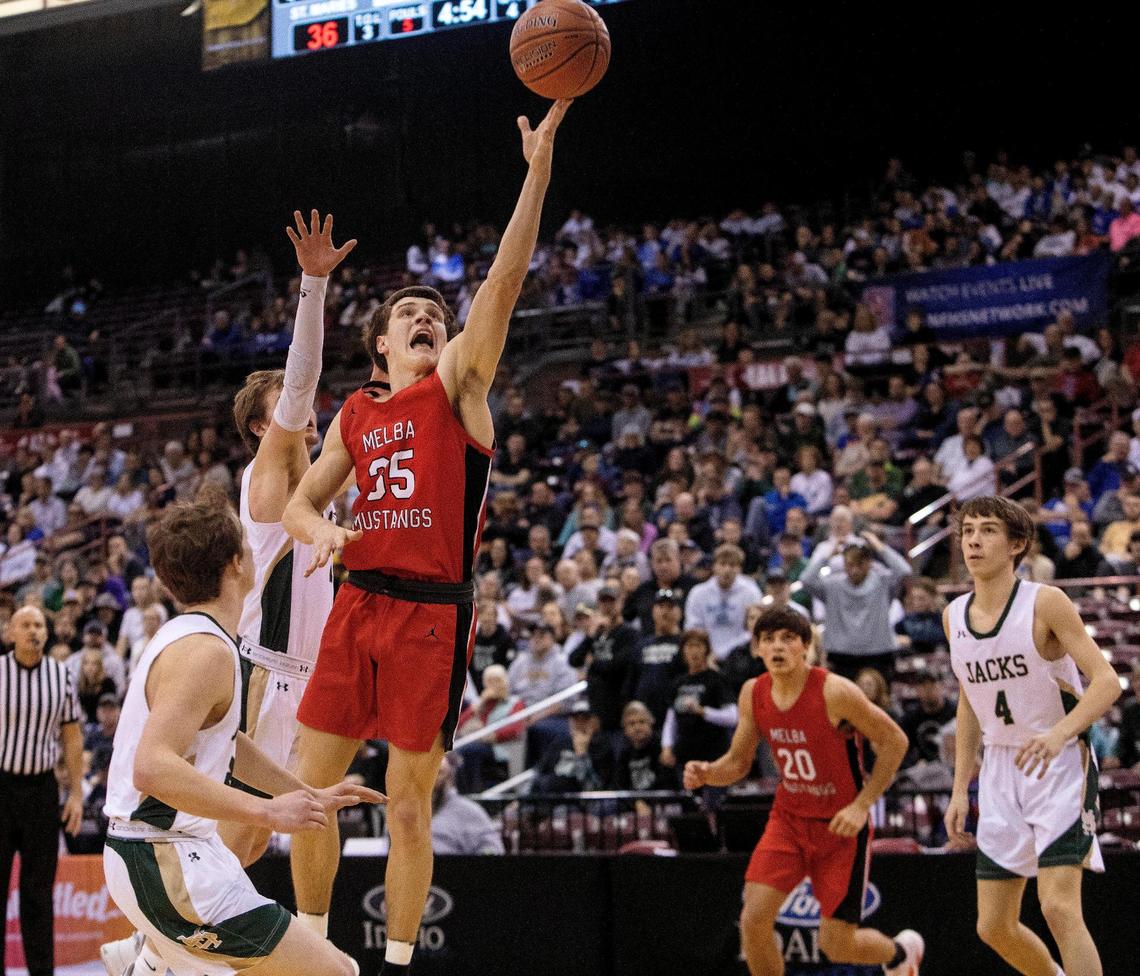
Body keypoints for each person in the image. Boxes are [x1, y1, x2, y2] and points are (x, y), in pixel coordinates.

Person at [282, 100, 572, 976]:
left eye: (434, 317)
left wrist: (537, 173)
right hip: (357, 604)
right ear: (378, 345)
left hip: (431, 620)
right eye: (408, 314)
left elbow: (504, 283)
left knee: (408, 809)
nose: (425, 319)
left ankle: (399, 965)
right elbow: (297, 504)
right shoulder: (357, 413)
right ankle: (315, 953)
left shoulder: (460, 388)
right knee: (308, 795)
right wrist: (323, 530)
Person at [101, 500, 381, 976]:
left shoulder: (197, 638)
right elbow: (152, 767)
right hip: (161, 856)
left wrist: (304, 795)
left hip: (173, 853)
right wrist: (268, 811)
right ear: (236, 563)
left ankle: (142, 965)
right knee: (335, 972)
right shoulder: (204, 652)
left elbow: (229, 743)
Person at [683, 607, 922, 976]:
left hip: (839, 828)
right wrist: (708, 772)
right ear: (757, 648)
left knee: (836, 945)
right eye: (768, 640)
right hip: (790, 820)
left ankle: (900, 955)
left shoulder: (835, 691)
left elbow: (894, 741)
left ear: (805, 646)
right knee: (753, 921)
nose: (777, 647)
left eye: (787, 639)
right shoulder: (753, 692)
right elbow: (739, 762)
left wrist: (862, 805)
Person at [944, 496, 1121, 976]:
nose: (974, 540)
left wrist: (1061, 734)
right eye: (968, 531)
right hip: (1001, 767)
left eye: (987, 531)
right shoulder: (954, 616)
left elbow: (1106, 682)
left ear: (1017, 544)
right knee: (994, 926)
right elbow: (969, 702)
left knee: (1059, 908)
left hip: (1058, 762)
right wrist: (961, 787)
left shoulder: (1045, 602)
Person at [0, 606, 84, 976]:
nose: (34, 630)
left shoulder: (61, 675)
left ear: (47, 634)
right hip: (1, 788)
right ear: (10, 633)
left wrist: (78, 794)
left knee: (38, 894)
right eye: (26, 624)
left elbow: (72, 735)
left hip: (41, 790)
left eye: (39, 625)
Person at [800, 531, 912, 681]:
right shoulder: (832, 585)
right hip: (841, 656)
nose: (854, 570)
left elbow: (905, 571)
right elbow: (806, 580)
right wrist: (827, 554)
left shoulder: (883, 582)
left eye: (860, 564)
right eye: (850, 564)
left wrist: (879, 547)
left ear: (869, 563)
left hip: (878, 654)